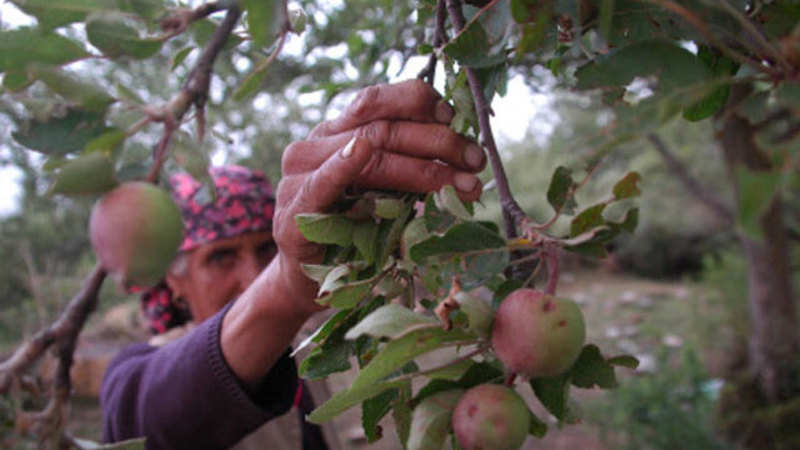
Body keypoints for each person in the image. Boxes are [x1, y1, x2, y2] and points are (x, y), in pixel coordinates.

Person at [100, 79, 486, 449]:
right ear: (174, 279)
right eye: (221, 257)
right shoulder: (142, 372)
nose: (253, 276)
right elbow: (138, 425)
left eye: (268, 249)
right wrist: (283, 288)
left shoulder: (316, 347)